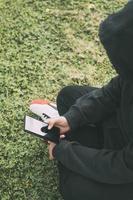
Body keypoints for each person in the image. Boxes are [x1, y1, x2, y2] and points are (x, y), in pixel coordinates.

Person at [46, 1, 133, 200]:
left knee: (74, 188)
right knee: (68, 96)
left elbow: (123, 166)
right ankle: (77, 140)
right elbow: (113, 92)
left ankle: (74, 147)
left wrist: (65, 152)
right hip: (121, 130)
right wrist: (72, 119)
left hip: (127, 168)